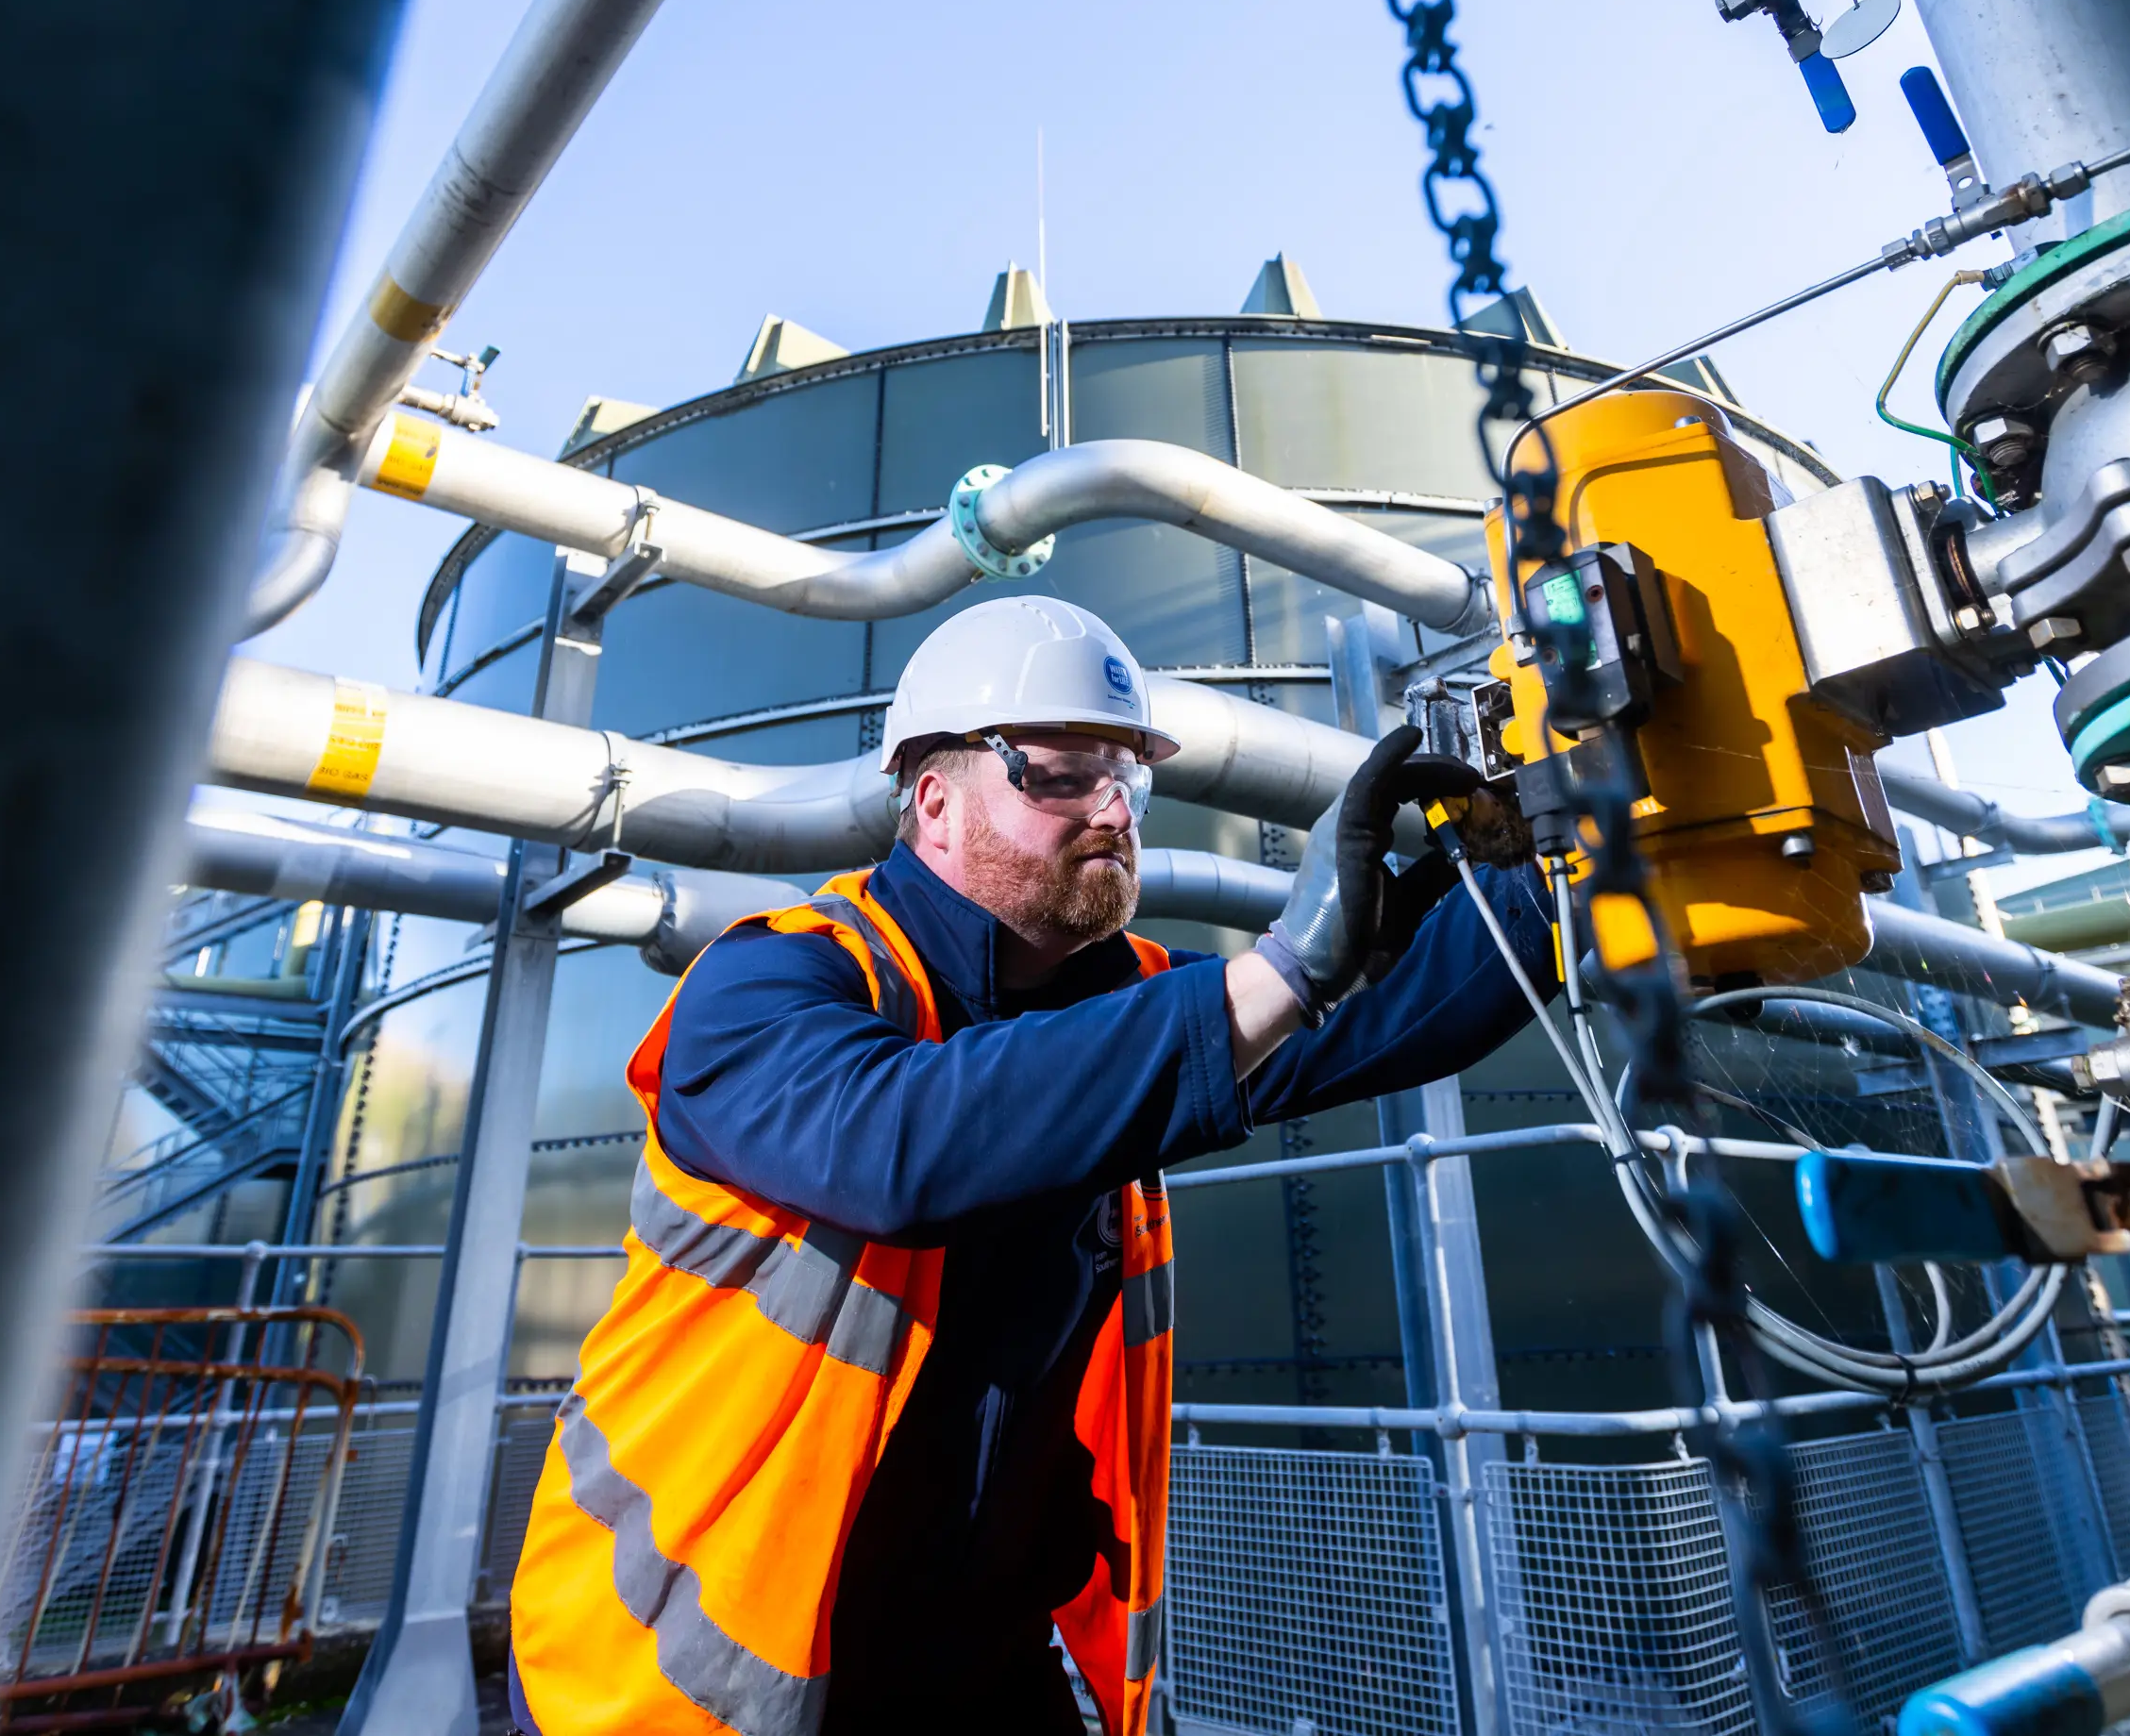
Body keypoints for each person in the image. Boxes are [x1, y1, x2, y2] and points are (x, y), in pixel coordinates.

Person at [508, 594, 1551, 1735]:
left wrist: (1550, 853)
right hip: (690, 1668)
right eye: (1061, 773)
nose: (1111, 805)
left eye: (1126, 775)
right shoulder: (774, 983)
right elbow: (900, 1146)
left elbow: (1379, 1019)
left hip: (976, 1651)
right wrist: (1281, 969)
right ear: (935, 798)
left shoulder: (1121, 1001)